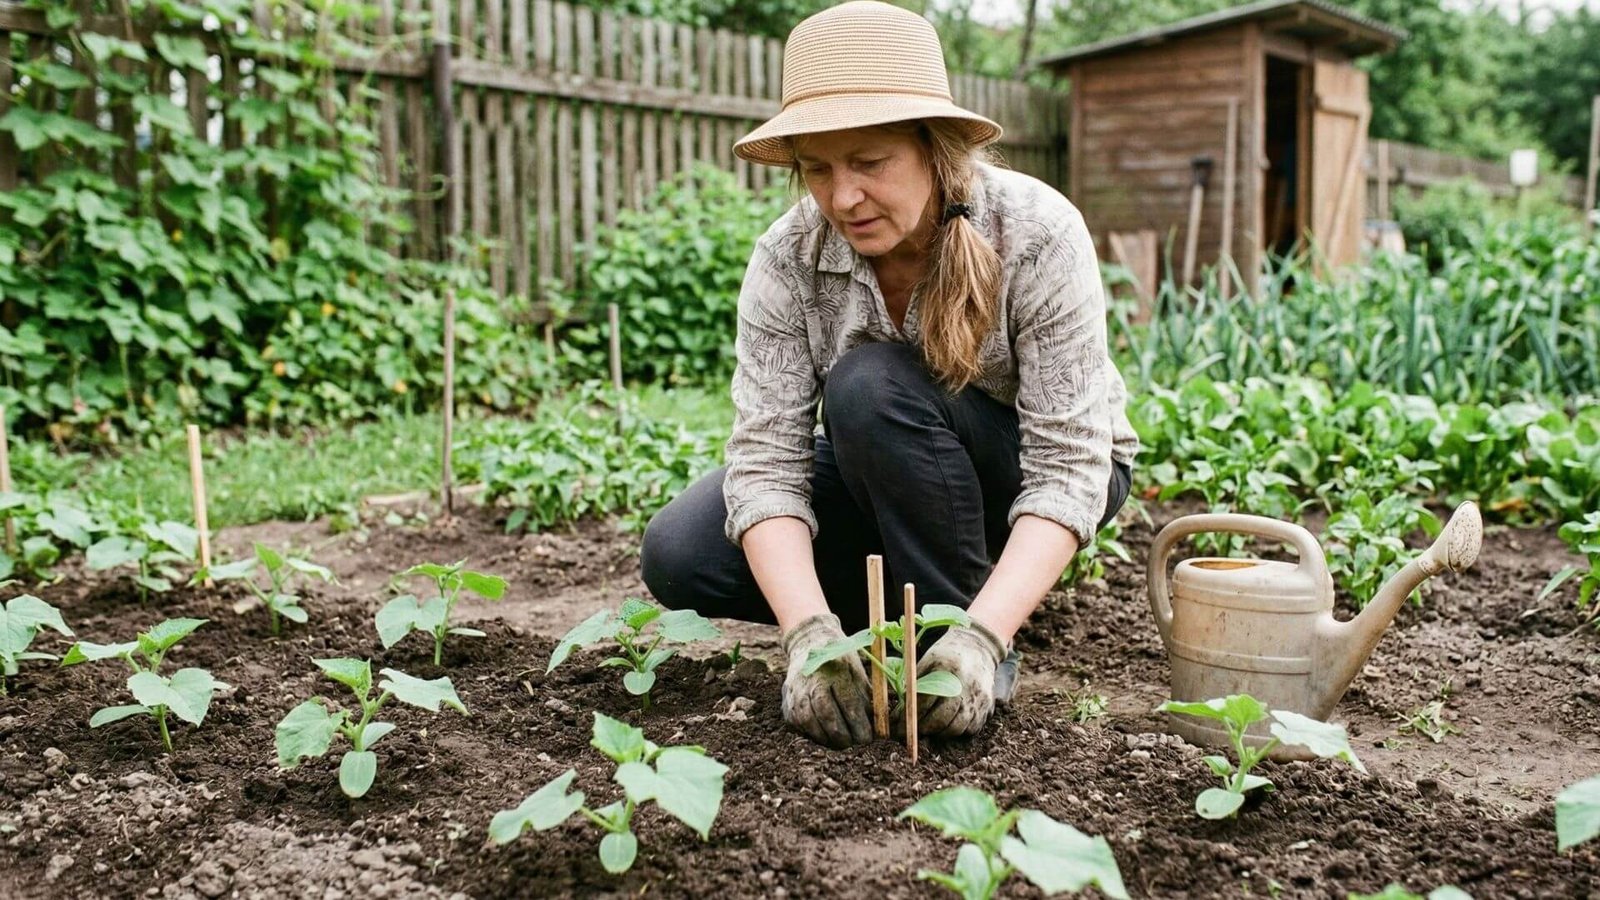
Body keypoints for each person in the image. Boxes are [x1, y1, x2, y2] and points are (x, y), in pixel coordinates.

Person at [639, 0, 1138, 749]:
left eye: (870, 163)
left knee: (869, 385)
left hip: (1033, 470)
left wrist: (982, 635)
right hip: (890, 462)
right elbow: (767, 462)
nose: (842, 197)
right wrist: (808, 636)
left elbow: (1070, 467)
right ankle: (894, 601)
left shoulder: (1036, 233)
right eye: (817, 169)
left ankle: (962, 631)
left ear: (935, 150)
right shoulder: (787, 259)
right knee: (682, 552)